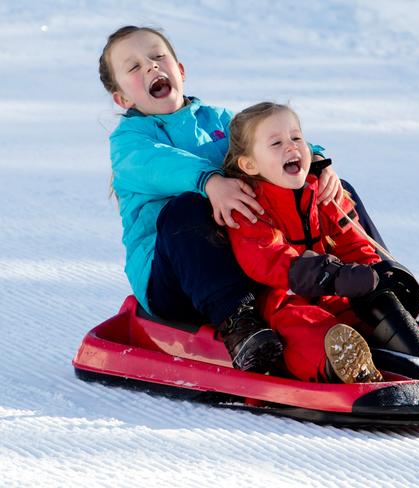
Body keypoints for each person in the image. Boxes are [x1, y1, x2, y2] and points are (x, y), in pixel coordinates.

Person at [222, 102, 419, 383]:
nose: (292, 147)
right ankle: (342, 362)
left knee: (376, 311)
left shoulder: (322, 192)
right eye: (277, 143)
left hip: (335, 294)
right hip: (286, 298)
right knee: (308, 330)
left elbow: (353, 240)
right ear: (250, 164)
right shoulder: (249, 204)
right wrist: (332, 275)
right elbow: (268, 259)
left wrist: (376, 274)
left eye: (297, 138)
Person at [100, 26, 339, 373]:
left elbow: (269, 139)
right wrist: (210, 180)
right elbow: (158, 163)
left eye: (157, 56)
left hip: (246, 255)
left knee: (331, 188)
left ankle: (382, 288)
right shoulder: (129, 140)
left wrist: (314, 161)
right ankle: (240, 324)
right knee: (186, 207)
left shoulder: (221, 120)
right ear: (123, 98)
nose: (151, 67)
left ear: (180, 70)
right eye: (134, 67)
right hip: (171, 282)